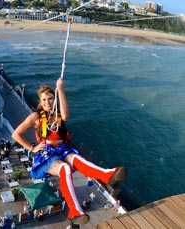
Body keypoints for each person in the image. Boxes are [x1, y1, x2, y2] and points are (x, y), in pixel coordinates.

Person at [12, 78, 127, 225]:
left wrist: (60, 90)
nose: (48, 102)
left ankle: (108, 176)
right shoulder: (36, 117)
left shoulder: (57, 115)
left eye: (51, 99)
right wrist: (32, 148)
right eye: (45, 100)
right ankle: (75, 211)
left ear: (54, 99)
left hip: (62, 148)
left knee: (77, 160)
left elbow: (65, 116)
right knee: (65, 168)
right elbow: (16, 134)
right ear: (40, 101)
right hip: (47, 153)